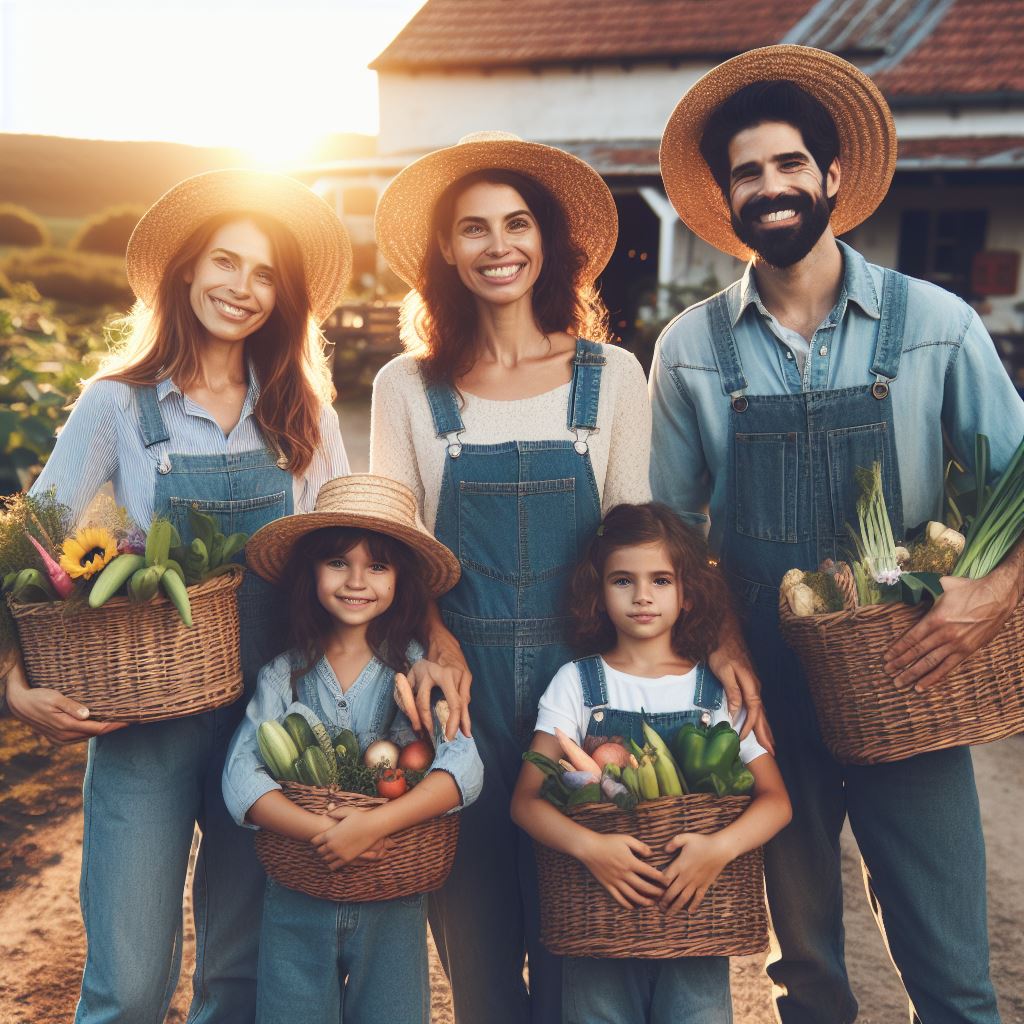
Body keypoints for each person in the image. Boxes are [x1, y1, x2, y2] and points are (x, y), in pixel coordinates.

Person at [650, 44, 1024, 1024]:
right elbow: (672, 533)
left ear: (831, 176)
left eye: (786, 165)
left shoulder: (936, 326)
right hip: (766, 693)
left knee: (952, 974)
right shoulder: (690, 349)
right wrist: (721, 643)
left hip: (910, 682)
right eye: (746, 173)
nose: (769, 187)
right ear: (726, 197)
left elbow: (1015, 485)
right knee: (804, 974)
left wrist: (989, 589)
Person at [4, 169, 355, 1023]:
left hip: (270, 726)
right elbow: (28, 545)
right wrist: (11, 685)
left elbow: (345, 556)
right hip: (140, 727)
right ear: (187, 272)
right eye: (226, 263)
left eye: (266, 274)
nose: (242, 288)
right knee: (125, 983)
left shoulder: (302, 414)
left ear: (285, 297)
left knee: (238, 976)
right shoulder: (116, 405)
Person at [370, 130, 661, 1023]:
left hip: (582, 689)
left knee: (580, 938)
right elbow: (392, 547)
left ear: (549, 244)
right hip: (456, 690)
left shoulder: (608, 375)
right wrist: (436, 640)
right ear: (445, 253)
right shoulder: (407, 386)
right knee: (475, 946)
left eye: (517, 224)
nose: (499, 246)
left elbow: (636, 542)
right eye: (473, 229)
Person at [512, 502, 790, 1024]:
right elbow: (525, 801)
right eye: (623, 580)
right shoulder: (577, 684)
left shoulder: (715, 692)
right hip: (599, 919)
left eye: (660, 580)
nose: (642, 596)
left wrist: (719, 848)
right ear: (598, 592)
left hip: (696, 918)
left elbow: (776, 801)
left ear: (687, 594)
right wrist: (590, 847)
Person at [222, 473, 483, 1024]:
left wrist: (376, 824)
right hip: (297, 897)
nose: (356, 581)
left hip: (395, 899)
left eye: (378, 566)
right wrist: (321, 831)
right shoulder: (283, 676)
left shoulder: (417, 672)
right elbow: (241, 779)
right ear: (311, 572)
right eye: (338, 562)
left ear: (400, 581)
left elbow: (465, 764)